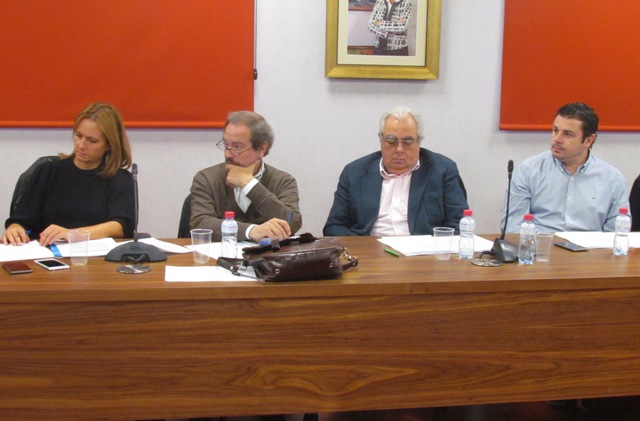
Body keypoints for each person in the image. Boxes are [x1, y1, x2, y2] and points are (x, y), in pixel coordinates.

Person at [2, 102, 135, 246]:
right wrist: (15, 228)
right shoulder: (47, 171)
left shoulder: (119, 179)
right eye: (78, 135)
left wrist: (72, 234)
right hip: (48, 253)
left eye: (92, 141)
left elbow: (120, 226)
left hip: (96, 257)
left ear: (109, 145)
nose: (81, 145)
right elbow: (21, 220)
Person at [323, 106, 468, 237]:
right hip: (370, 252)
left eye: (407, 142)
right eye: (391, 141)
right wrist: (363, 248)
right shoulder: (354, 173)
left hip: (423, 253)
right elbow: (334, 226)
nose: (399, 149)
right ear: (381, 139)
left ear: (418, 141)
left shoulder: (443, 170)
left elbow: (459, 224)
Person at [501, 102, 628, 233]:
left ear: (588, 140)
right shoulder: (528, 170)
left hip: (589, 246)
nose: (557, 139)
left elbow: (616, 232)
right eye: (555, 130)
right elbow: (512, 226)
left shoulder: (613, 179)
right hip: (540, 243)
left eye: (568, 134)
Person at [190, 111, 302, 242]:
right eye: (226, 145)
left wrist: (250, 184)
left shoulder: (283, 181)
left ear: (261, 149)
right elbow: (200, 223)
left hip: (266, 255)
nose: (227, 154)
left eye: (237, 147)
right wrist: (251, 231)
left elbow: (292, 222)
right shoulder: (206, 178)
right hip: (220, 254)